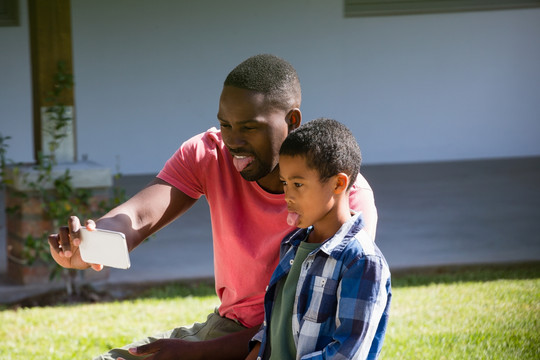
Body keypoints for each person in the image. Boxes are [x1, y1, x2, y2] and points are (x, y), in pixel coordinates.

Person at [48, 54, 379, 360]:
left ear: (291, 120)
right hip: (232, 330)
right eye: (225, 124)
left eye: (249, 127)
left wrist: (195, 354)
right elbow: (138, 215)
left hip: (293, 342)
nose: (233, 141)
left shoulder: (341, 197)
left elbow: (309, 326)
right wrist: (93, 241)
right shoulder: (209, 154)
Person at [246, 118, 391, 360]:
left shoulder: (362, 262)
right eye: (284, 183)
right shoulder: (293, 245)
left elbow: (346, 354)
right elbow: (277, 325)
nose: (287, 196)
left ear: (338, 183)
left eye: (298, 184)